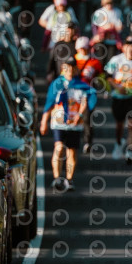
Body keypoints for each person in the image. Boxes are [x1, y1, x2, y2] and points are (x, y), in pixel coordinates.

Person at [40, 57, 97, 191]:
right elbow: (49, 103)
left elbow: (85, 101)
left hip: (74, 124)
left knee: (71, 152)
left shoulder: (81, 85)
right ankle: (57, 178)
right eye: (67, 67)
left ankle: (69, 179)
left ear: (76, 69)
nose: (70, 70)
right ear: (62, 69)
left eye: (72, 68)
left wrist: (80, 115)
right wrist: (43, 121)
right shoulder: (56, 84)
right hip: (58, 123)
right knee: (59, 148)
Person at [104, 36, 132, 163]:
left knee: (131, 125)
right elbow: (107, 76)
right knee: (119, 125)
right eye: (128, 46)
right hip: (118, 96)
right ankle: (118, 143)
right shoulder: (116, 60)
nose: (131, 49)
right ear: (123, 48)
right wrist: (117, 87)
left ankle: (130, 150)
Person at [74, 36, 104, 153]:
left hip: (88, 93)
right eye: (80, 48)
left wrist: (104, 88)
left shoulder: (94, 62)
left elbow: (101, 76)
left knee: (87, 117)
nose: (82, 50)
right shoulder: (73, 61)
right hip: (74, 93)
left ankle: (87, 141)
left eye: (84, 48)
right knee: (73, 115)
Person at [91, 0, 124, 65]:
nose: (109, 5)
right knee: (101, 60)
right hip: (101, 39)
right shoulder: (99, 12)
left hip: (113, 39)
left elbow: (120, 25)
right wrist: (96, 34)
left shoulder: (117, 12)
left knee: (111, 60)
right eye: (107, 3)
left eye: (110, 3)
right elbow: (94, 26)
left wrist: (115, 27)